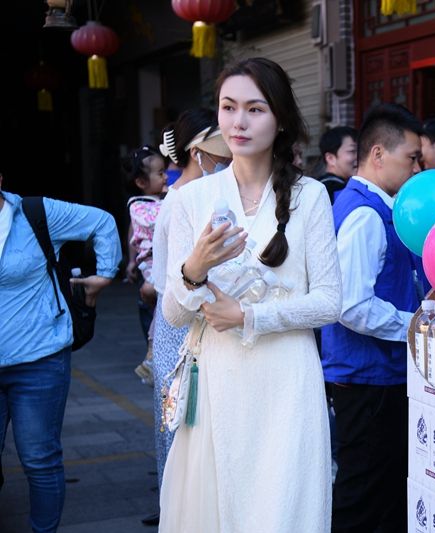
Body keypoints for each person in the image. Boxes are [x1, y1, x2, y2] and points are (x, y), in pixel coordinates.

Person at [159, 57, 341, 532]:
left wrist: (249, 316)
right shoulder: (190, 200)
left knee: (282, 511)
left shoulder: (310, 196)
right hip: (217, 379)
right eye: (228, 107)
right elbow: (173, 315)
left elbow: (329, 301)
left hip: (287, 382)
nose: (238, 121)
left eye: (255, 109)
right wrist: (194, 268)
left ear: (280, 119)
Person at [321, 103, 423, 533]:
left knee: (383, 491)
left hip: (374, 376)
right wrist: (415, 326)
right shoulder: (365, 214)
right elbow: (351, 305)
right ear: (378, 154)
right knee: (363, 496)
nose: (417, 169)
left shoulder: (372, 206)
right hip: (369, 379)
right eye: (411, 158)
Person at [0, 172, 121, 533]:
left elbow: (102, 222)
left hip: (39, 359)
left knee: (39, 459)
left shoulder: (34, 213)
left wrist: (104, 274)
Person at [146, 108, 232, 526]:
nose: (227, 157)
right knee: (181, 420)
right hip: (180, 324)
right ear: (198, 151)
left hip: (204, 319)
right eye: (219, 149)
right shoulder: (180, 200)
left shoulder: (207, 194)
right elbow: (166, 279)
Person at [124, 145, 167, 386]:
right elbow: (156, 220)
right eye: (160, 173)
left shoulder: (160, 198)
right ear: (141, 182)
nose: (165, 177)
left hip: (158, 262)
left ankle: (154, 354)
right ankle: (152, 352)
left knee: (161, 307)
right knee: (161, 306)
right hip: (151, 264)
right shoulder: (138, 204)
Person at [317, 126, 358, 204]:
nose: (359, 157)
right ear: (330, 158)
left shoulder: (319, 186)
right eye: (352, 151)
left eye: (360, 151)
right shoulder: (333, 190)